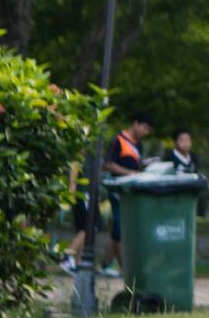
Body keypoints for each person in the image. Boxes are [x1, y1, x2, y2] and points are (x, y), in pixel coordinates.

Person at [64, 114, 151, 272]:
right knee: (93, 226)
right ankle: (67, 256)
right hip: (86, 191)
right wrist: (72, 187)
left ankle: (82, 262)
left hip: (91, 190)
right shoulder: (89, 149)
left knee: (93, 227)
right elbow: (99, 165)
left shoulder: (136, 145)